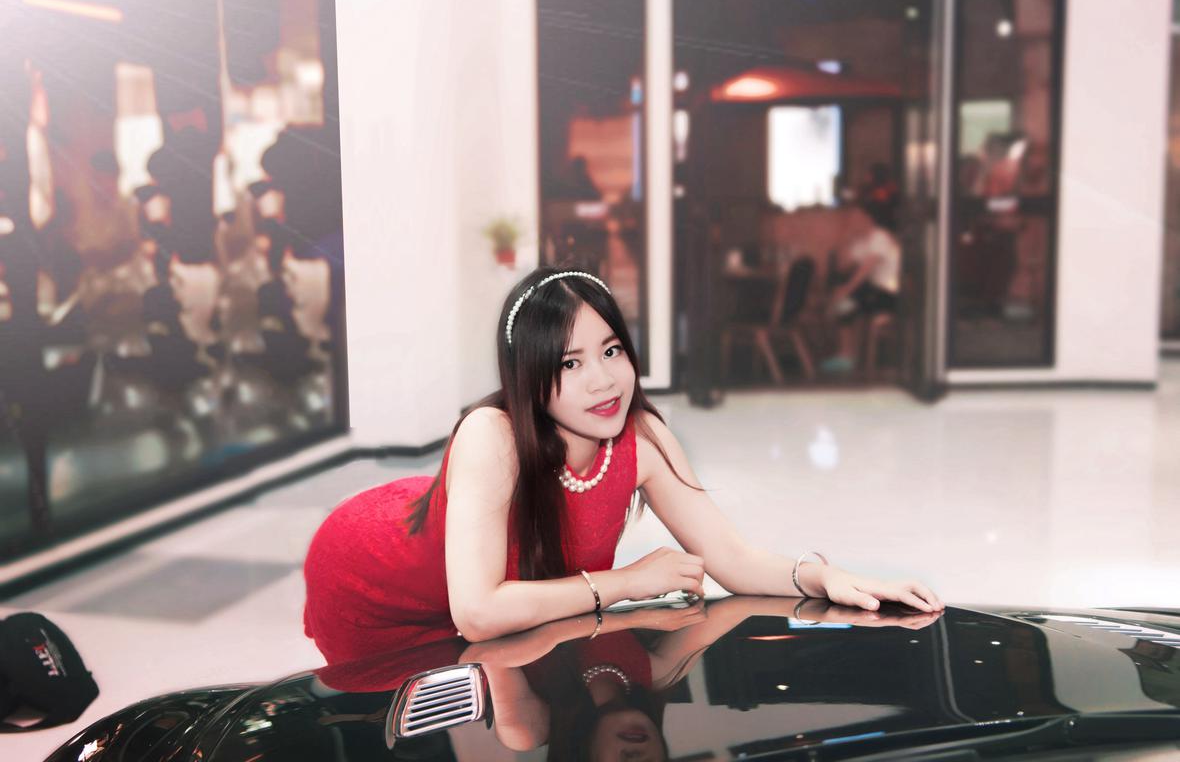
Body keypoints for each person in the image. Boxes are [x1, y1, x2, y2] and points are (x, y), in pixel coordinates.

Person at [303, 267, 941, 664]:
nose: (604, 381)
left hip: (495, 614)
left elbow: (732, 559)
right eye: (570, 363)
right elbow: (477, 613)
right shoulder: (491, 436)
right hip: (375, 582)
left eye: (612, 351)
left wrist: (827, 577)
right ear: (528, 378)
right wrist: (628, 582)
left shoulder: (642, 438)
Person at [821, 207, 902, 375]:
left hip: (890, 294)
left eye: (856, 218)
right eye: (850, 219)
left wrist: (846, 290)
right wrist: (845, 238)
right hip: (872, 293)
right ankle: (846, 354)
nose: (853, 222)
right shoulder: (860, 242)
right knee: (843, 302)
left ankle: (847, 355)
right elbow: (843, 266)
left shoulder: (880, 237)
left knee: (846, 299)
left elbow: (866, 269)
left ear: (867, 218)